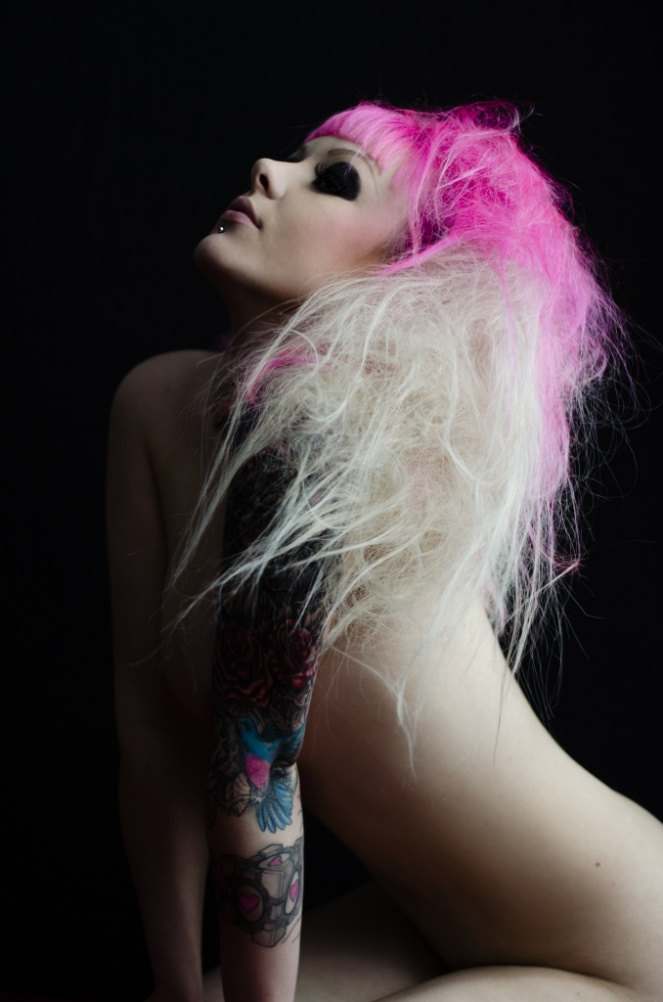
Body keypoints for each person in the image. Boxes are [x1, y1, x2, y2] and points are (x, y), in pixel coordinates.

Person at [107, 101, 663, 1002]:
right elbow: (153, 738)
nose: (266, 171)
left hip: (618, 948)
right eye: (294, 155)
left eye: (333, 178)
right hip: (414, 921)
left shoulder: (316, 443)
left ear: (406, 272)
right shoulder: (152, 405)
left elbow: (255, 766)